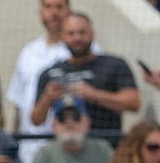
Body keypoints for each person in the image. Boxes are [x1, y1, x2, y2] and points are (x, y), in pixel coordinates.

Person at [32, 12, 138, 141]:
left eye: (82, 32)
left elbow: (134, 103)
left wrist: (94, 95)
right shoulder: (51, 72)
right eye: (71, 33)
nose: (77, 38)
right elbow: (36, 120)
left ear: (93, 33)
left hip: (107, 146)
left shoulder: (114, 65)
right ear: (62, 36)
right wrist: (47, 98)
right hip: (65, 149)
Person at [8, 0, 79, 163]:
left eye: (59, 7)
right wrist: (16, 143)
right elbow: (19, 103)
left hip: (68, 152)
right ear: (40, 11)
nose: (53, 12)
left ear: (68, 10)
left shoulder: (84, 50)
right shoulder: (29, 51)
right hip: (29, 151)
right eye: (48, 6)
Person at [29, 94, 113, 163]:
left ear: (88, 123)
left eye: (76, 117)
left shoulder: (103, 149)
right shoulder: (45, 153)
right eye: (62, 118)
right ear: (54, 126)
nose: (69, 122)